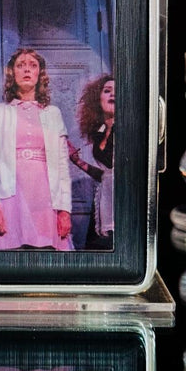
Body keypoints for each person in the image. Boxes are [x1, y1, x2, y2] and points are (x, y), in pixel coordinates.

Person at [0, 48, 73, 250]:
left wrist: (65, 210)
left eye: (33, 65)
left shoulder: (53, 114)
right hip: (10, 196)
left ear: (40, 74)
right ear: (12, 73)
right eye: (20, 65)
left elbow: (62, 167)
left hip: (45, 198)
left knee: (46, 262)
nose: (27, 70)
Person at [67, 74, 114, 249]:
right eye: (107, 91)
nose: (112, 95)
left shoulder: (127, 129)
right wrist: (76, 160)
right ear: (98, 99)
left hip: (121, 204)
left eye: (117, 91)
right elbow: (106, 174)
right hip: (103, 201)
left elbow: (112, 165)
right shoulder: (99, 133)